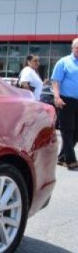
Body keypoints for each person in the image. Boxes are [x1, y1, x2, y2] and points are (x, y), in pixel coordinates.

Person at [51, 38, 78, 169]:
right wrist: (57, 97)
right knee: (67, 130)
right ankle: (71, 160)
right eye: (77, 47)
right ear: (72, 48)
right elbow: (56, 81)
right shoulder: (63, 62)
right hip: (65, 100)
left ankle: (61, 158)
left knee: (76, 132)